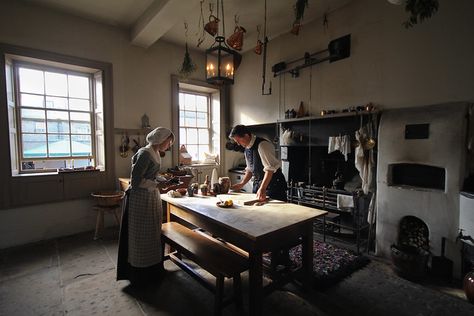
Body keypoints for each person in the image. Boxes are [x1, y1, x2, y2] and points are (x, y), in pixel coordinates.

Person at [117, 127, 178, 286]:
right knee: (140, 235)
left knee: (152, 233)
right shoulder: (145, 153)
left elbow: (150, 175)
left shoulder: (156, 153)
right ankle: (140, 273)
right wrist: (156, 183)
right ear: (160, 139)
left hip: (150, 196)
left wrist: (162, 180)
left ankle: (153, 268)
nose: (170, 144)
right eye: (169, 141)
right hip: (140, 198)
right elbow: (136, 181)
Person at [229, 124, 287, 201]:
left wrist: (262, 188)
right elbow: (249, 170)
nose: (238, 144)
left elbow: (270, 170)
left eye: (239, 140)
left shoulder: (262, 145)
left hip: (273, 185)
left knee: (275, 211)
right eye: (237, 142)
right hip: (259, 184)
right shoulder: (247, 149)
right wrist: (241, 184)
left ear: (246, 136)